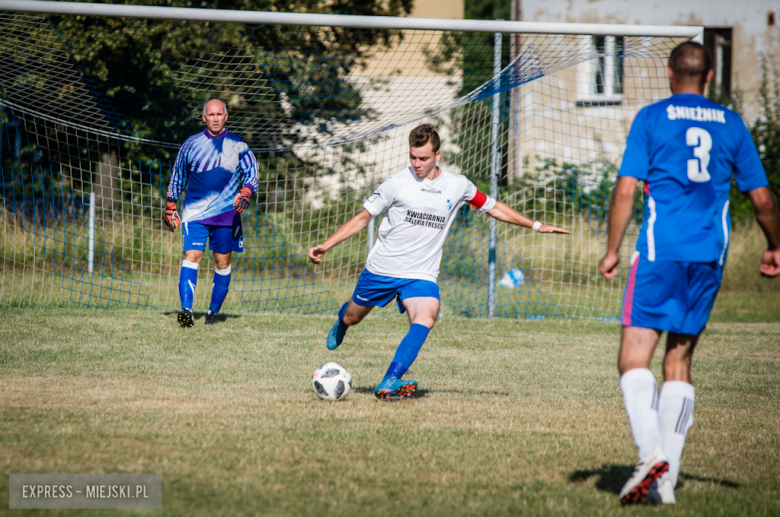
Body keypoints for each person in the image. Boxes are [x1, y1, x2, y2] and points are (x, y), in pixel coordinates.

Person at [598, 41, 780, 506]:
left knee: (633, 360)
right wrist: (775, 245)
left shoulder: (652, 118)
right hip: (709, 256)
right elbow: (761, 199)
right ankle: (665, 481)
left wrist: (612, 249)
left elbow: (624, 191)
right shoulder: (733, 124)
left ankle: (650, 454)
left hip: (660, 252)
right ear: (711, 74)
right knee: (679, 362)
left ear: (669, 73)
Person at [309, 124, 570, 399]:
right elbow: (363, 218)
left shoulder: (458, 185)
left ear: (438, 155)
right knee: (353, 316)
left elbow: (493, 206)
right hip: (383, 269)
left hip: (421, 273)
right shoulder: (396, 182)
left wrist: (536, 225)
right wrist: (327, 245)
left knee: (427, 315)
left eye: (423, 158)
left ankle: (389, 380)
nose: (417, 164)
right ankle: (343, 322)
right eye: (412, 157)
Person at [164, 99, 259, 327]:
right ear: (203, 117)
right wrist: (170, 204)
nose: (215, 118)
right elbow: (178, 175)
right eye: (211, 114)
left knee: (222, 262)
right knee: (191, 256)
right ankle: (186, 311)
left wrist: (245, 193)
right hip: (195, 213)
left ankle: (212, 314)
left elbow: (252, 173)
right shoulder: (191, 144)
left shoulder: (238, 145)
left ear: (226, 116)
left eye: (219, 114)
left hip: (227, 215)